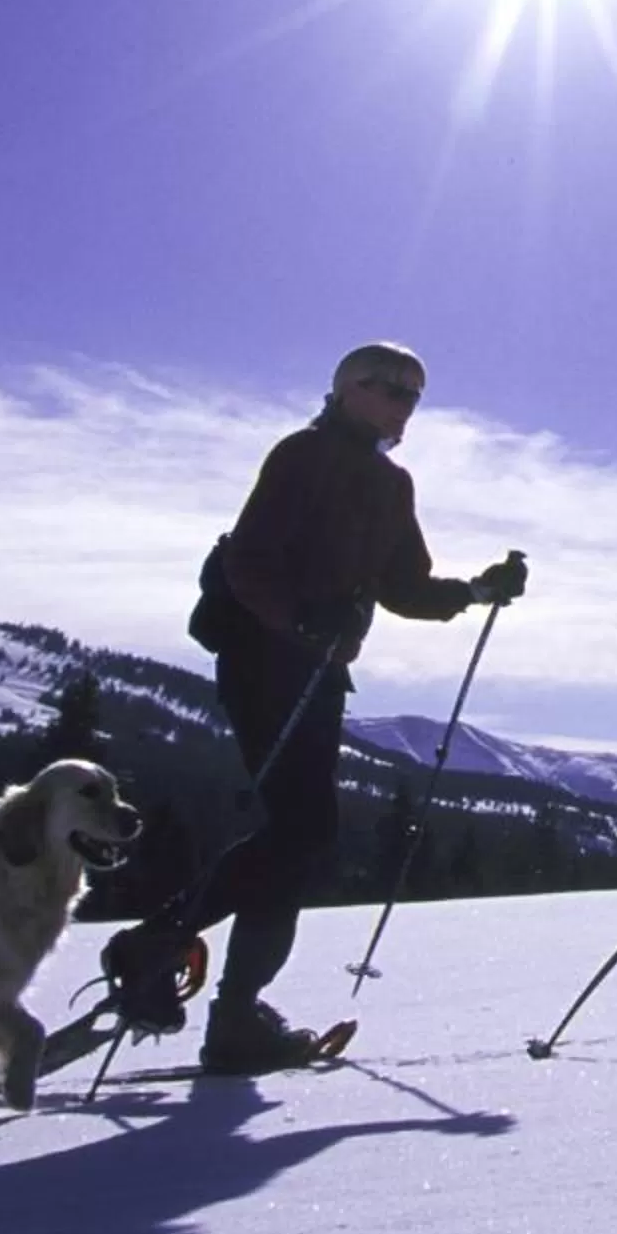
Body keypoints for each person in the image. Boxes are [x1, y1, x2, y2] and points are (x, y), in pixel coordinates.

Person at [122, 342, 527, 1073]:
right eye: (386, 387)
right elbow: (249, 561)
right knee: (302, 831)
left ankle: (202, 982)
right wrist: (302, 621)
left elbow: (404, 586)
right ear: (343, 391)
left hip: (314, 669)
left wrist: (475, 591)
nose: (401, 402)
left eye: (413, 393)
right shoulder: (302, 457)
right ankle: (190, 973)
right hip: (265, 659)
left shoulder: (388, 484)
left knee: (297, 836)